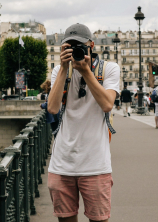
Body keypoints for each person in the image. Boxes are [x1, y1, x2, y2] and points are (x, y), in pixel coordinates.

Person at [47, 23, 119, 222]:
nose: (74, 50)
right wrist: (63, 68)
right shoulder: (59, 72)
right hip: (62, 165)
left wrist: (86, 71)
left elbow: (107, 104)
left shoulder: (109, 69)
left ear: (91, 45)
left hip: (95, 165)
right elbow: (52, 109)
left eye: (79, 45)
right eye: (69, 46)